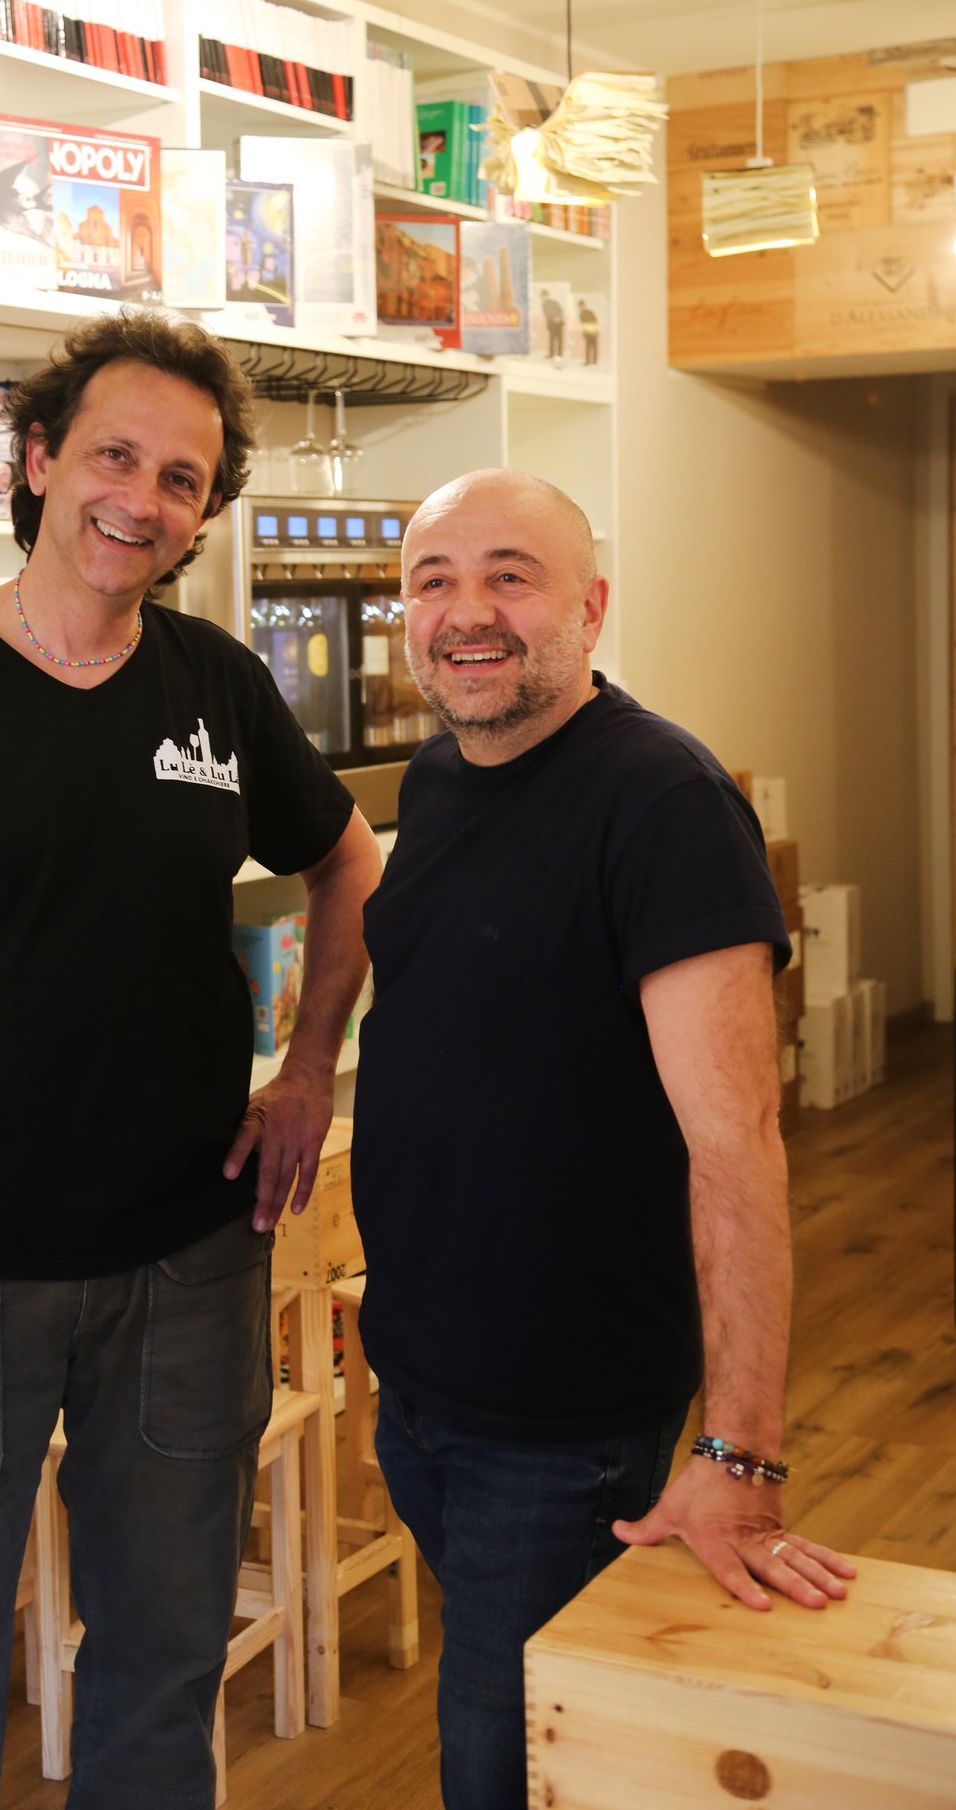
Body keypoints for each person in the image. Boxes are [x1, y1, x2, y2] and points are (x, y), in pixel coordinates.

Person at [0, 310, 382, 1810]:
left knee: (162, 1676)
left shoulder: (219, 687)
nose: (143, 498)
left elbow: (353, 868)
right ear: (38, 460)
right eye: (114, 454)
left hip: (186, 1271)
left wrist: (307, 1073)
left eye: (183, 478)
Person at [349, 468, 856, 1810]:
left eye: (510, 575)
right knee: (517, 1736)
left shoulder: (661, 802)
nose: (466, 612)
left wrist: (739, 1455)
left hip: (559, 1417)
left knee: (502, 1765)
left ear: (592, 606)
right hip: (427, 1386)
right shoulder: (445, 778)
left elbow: (738, 1144)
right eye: (432, 579)